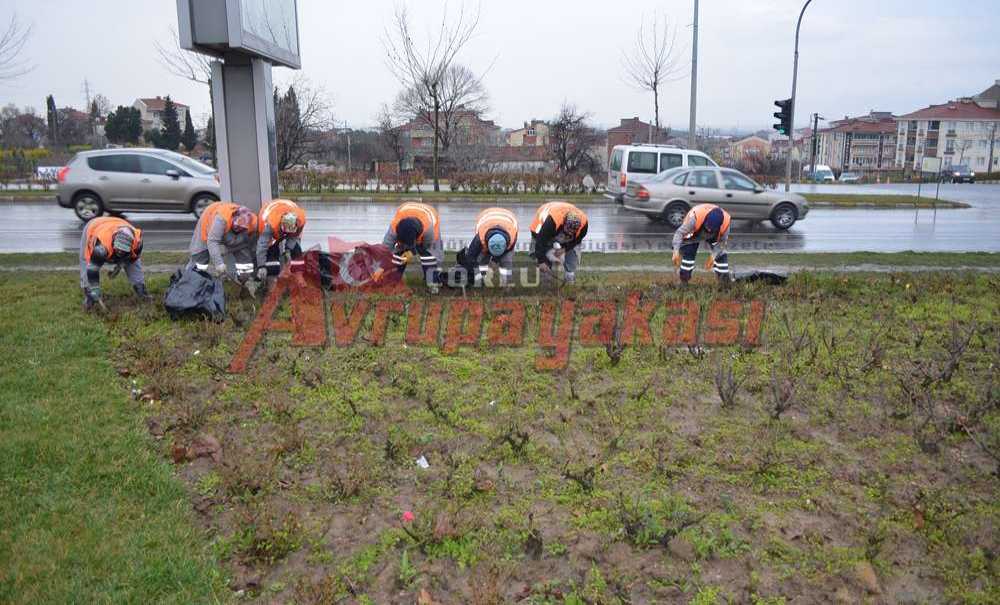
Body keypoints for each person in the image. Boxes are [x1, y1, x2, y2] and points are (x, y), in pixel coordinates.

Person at [79, 216, 148, 310]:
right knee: (86, 260)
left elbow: (133, 261)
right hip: (94, 226)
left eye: (123, 252)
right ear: (113, 244)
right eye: (117, 251)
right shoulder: (101, 247)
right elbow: (92, 269)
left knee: (133, 265)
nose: (119, 254)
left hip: (116, 222)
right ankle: (89, 296)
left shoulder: (138, 243)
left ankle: (141, 292)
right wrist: (94, 288)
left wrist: (120, 266)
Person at [383, 201, 443, 293]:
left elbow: (426, 246)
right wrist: (380, 268)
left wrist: (412, 252)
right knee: (399, 254)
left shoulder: (429, 229)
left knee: (430, 256)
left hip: (429, 215)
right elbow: (384, 250)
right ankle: (393, 280)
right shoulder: (394, 228)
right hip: (407, 209)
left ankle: (433, 284)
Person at [188, 201, 257, 281]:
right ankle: (188, 282)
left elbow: (252, 246)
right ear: (234, 218)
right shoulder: (221, 219)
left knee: (245, 265)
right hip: (208, 224)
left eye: (241, 228)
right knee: (199, 261)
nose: (238, 228)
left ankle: (242, 283)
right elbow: (212, 241)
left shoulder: (253, 223)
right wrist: (219, 263)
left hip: (236, 236)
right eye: (237, 226)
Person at [530, 201, 588, 284]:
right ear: (564, 223)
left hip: (561, 214)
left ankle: (570, 279)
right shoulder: (551, 223)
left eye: (573, 231)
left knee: (573, 252)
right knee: (542, 256)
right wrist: (541, 261)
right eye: (568, 229)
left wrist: (565, 249)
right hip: (543, 225)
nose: (570, 233)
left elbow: (577, 240)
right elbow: (540, 241)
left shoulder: (584, 225)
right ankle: (546, 282)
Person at [671, 203, 731, 283]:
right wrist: (676, 251)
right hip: (695, 231)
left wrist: (713, 256)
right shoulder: (694, 219)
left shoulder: (725, 225)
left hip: (715, 236)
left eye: (711, 230)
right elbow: (679, 233)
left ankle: (724, 281)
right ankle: (684, 280)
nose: (709, 231)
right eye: (707, 228)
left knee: (721, 255)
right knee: (689, 251)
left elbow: (721, 243)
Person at [458, 207, 518, 286]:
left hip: (508, 219)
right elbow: (471, 256)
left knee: (506, 260)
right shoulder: (479, 238)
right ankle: (481, 282)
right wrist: (476, 272)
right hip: (486, 217)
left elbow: (507, 250)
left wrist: (494, 261)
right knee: (481, 259)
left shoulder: (512, 236)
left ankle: (506, 284)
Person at [255, 199, 306, 281]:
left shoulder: (300, 220)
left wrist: (288, 250)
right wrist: (261, 266)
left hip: (288, 207)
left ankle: (298, 277)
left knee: (296, 250)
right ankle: (271, 280)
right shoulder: (269, 225)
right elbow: (262, 246)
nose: (286, 234)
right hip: (269, 214)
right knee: (272, 253)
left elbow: (294, 236)